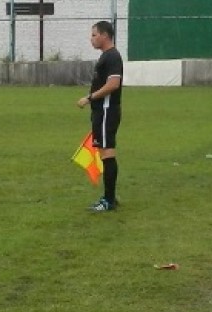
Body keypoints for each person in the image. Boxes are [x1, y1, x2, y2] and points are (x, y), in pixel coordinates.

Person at [77, 20, 123, 212]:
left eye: (94, 35)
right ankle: (110, 196)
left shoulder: (112, 56)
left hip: (106, 111)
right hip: (102, 111)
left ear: (105, 35)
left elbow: (113, 84)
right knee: (105, 151)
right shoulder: (107, 56)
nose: (92, 38)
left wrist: (90, 97)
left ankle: (108, 201)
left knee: (107, 152)